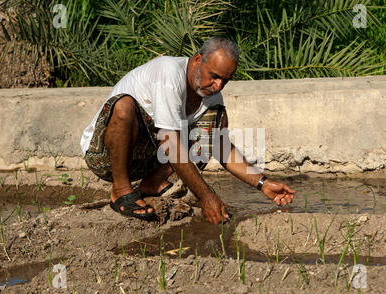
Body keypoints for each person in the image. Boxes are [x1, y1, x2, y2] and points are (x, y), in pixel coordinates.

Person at [80, 36, 295, 225]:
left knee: (214, 119)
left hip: (145, 158)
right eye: (214, 75)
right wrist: (206, 196)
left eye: (225, 80)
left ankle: (152, 183)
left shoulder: (211, 96)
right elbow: (169, 143)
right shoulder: (168, 73)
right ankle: (121, 190)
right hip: (106, 157)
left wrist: (263, 183)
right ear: (197, 60)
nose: (218, 85)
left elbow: (220, 147)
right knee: (124, 105)